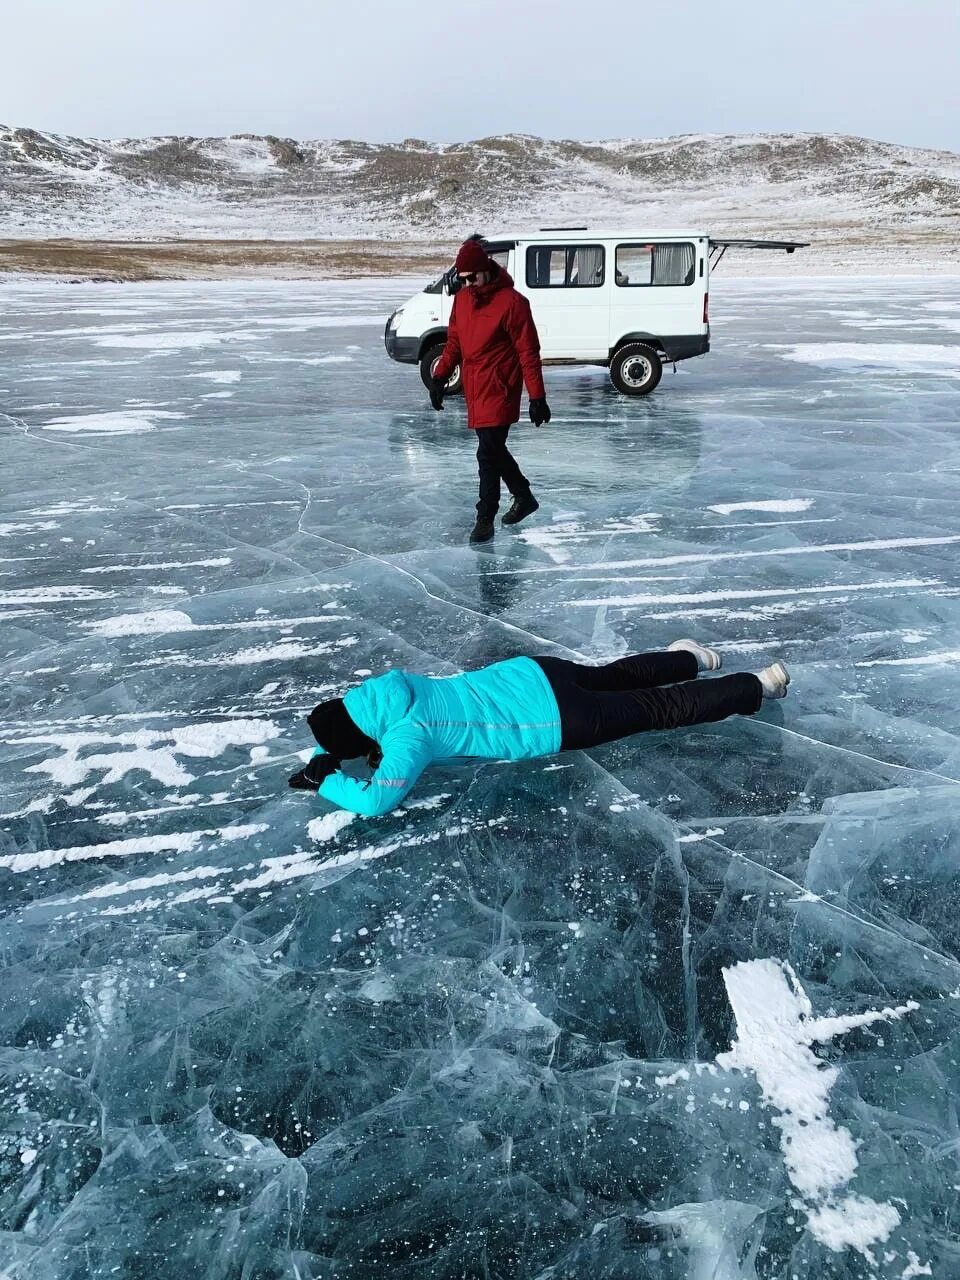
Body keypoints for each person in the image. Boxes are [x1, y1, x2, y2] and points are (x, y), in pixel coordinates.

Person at [288, 640, 790, 818]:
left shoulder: (407, 738)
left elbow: (376, 801)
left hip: (551, 721)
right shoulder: (390, 691)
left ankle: (757, 686)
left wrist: (326, 778)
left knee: (657, 710)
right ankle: (691, 656)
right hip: (533, 673)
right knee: (616, 675)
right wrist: (338, 751)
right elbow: (346, 726)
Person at [430, 237, 551, 545]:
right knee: (494, 451)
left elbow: (528, 352)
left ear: (485, 269)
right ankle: (523, 496)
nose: (468, 283)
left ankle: (485, 517)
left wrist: (537, 397)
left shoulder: (512, 303)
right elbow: (455, 342)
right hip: (475, 386)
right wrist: (440, 377)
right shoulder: (463, 300)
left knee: (487, 453)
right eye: (463, 279)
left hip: (501, 387)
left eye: (472, 277)